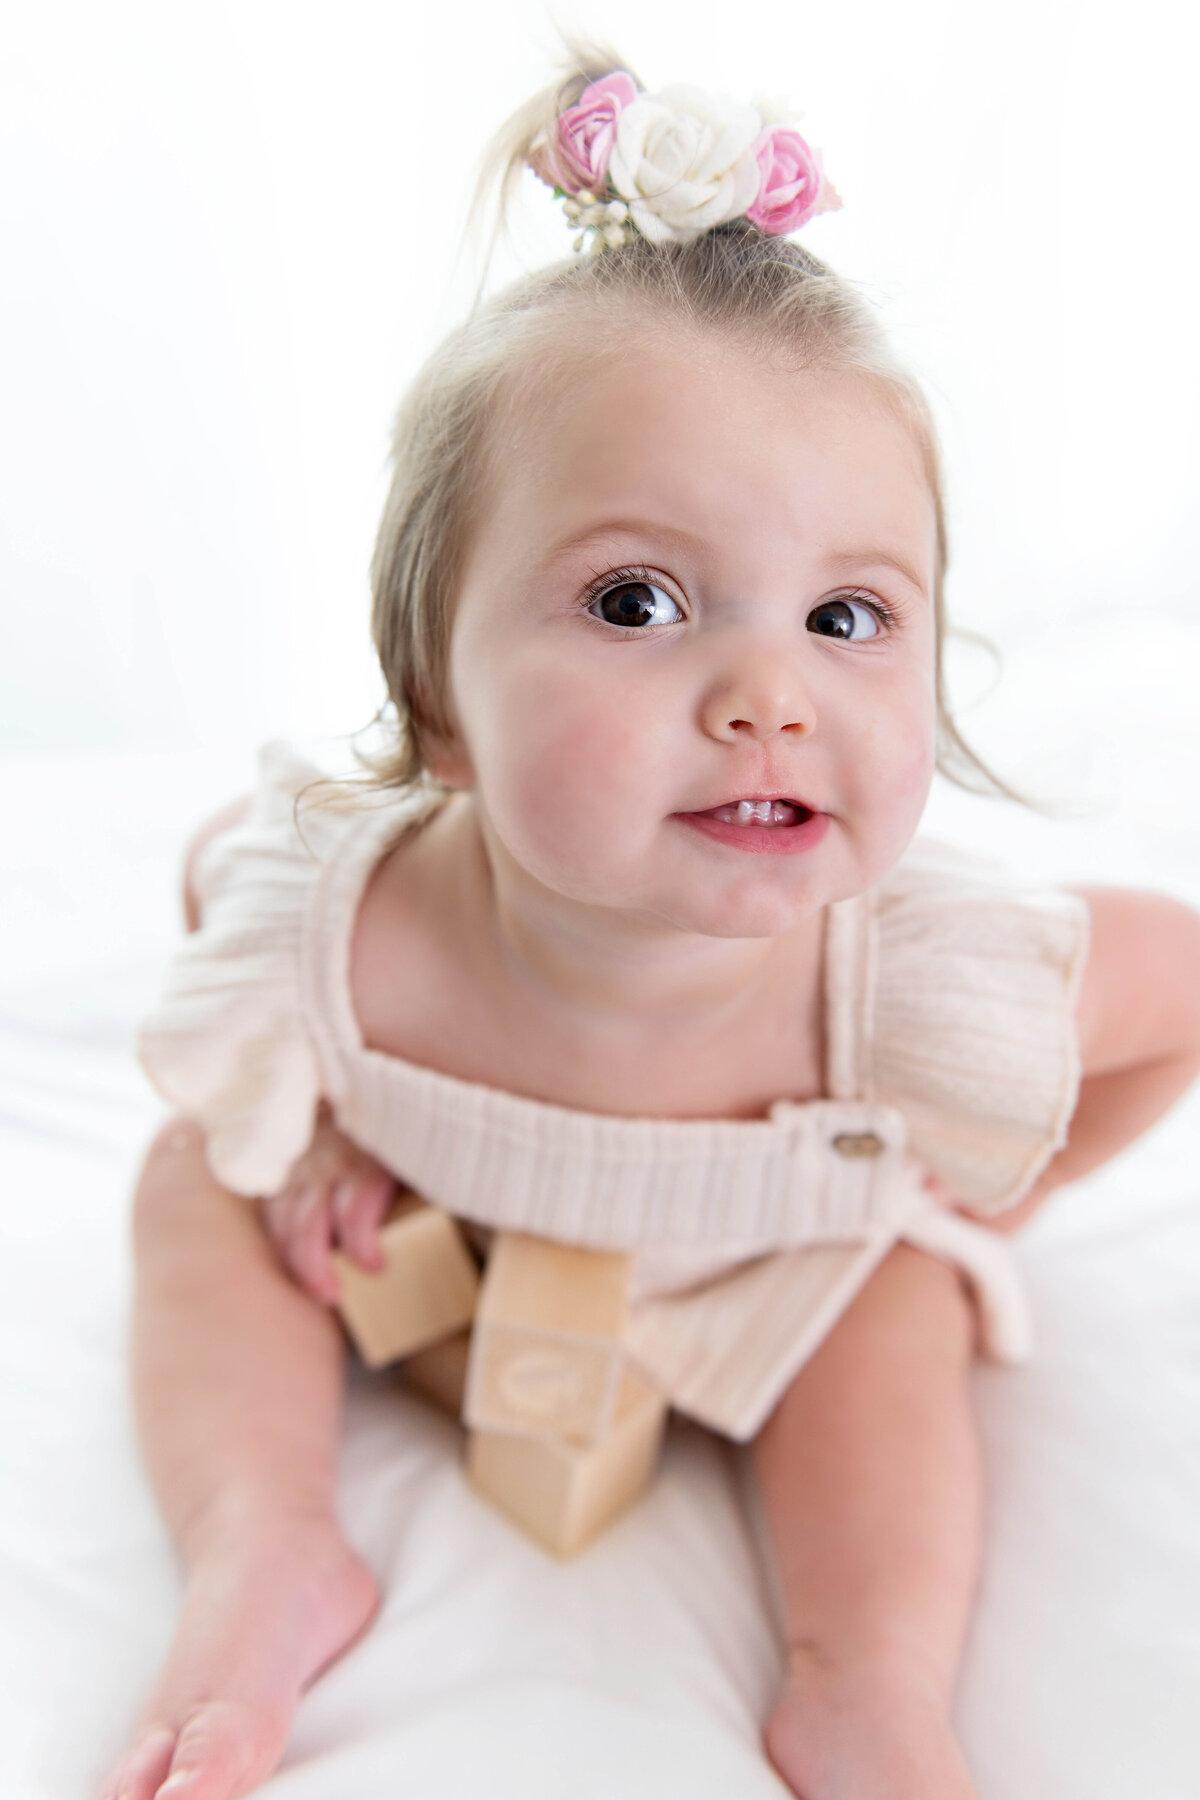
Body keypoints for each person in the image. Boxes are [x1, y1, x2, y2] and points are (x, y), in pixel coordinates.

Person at [97, 43, 1200, 1800]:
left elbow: (1179, 986)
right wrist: (301, 1140)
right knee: (193, 1180)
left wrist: (999, 1181)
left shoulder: (894, 982)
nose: (770, 693)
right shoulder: (354, 919)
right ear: (433, 703)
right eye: (638, 599)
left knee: (895, 1310)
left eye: (850, 617)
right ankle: (263, 1548)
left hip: (779, 1282)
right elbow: (219, 875)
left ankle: (868, 1681)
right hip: (443, 1281)